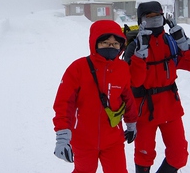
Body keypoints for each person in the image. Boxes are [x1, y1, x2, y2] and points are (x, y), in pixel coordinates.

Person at [123, 1, 190, 173]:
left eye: (157, 16)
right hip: (144, 109)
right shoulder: (134, 47)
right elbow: (134, 82)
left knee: (179, 155)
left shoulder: (171, 42)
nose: (154, 20)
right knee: (144, 154)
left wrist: (184, 43)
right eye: (149, 17)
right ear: (141, 21)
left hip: (170, 106)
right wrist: (140, 55)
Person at [53, 19, 138, 173]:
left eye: (115, 44)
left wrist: (132, 123)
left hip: (113, 139)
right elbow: (64, 103)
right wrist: (62, 135)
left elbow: (127, 97)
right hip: (83, 139)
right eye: (105, 42)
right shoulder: (78, 68)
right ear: (95, 43)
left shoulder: (123, 68)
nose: (110, 47)